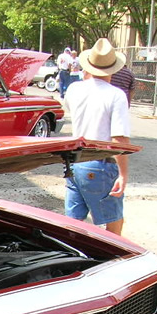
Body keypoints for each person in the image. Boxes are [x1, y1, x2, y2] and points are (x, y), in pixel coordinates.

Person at [64, 38, 130, 236]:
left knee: (73, 222)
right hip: (100, 162)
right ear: (112, 69)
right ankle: (113, 261)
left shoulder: (75, 89)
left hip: (75, 161)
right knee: (114, 221)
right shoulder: (116, 95)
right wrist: (123, 174)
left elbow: (69, 107)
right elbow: (119, 139)